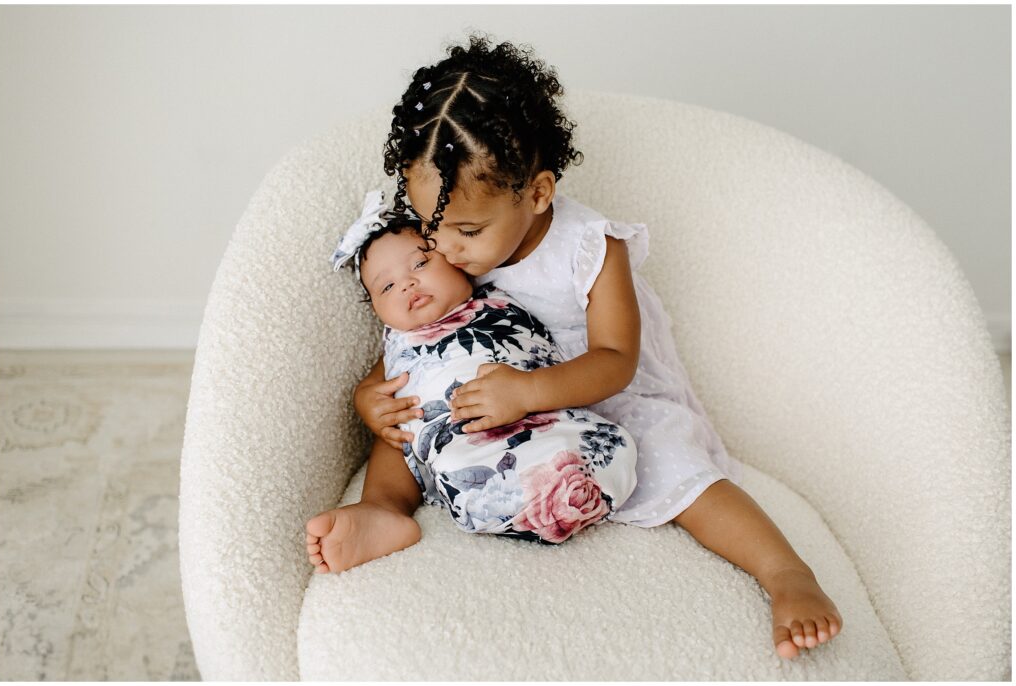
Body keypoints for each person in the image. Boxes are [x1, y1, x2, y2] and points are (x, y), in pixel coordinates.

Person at [309, 35, 841, 660]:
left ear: (536, 194)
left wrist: (529, 392)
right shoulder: (465, 246)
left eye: (466, 231)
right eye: (431, 230)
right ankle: (383, 512)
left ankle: (785, 573)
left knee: (680, 468)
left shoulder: (591, 248)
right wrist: (373, 392)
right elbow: (421, 338)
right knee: (406, 421)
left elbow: (617, 359)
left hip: (600, 394)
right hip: (501, 404)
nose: (445, 251)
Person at [309, 191, 638, 549]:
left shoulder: (497, 297)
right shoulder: (397, 341)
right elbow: (383, 379)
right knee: (395, 434)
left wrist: (525, 391)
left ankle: (559, 486)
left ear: (454, 261)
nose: (406, 284)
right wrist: (366, 400)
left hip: (522, 412)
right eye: (386, 286)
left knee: (571, 436)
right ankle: (383, 509)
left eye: (420, 264)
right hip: (445, 444)